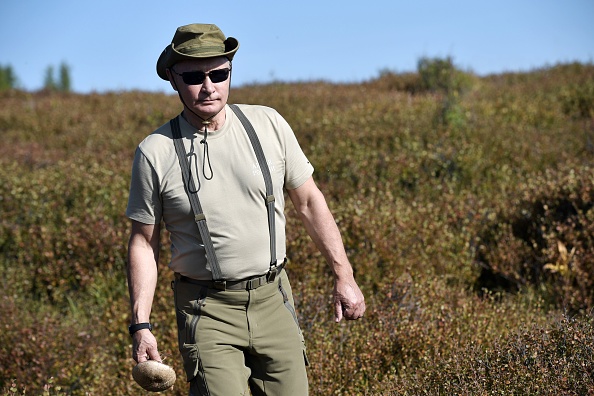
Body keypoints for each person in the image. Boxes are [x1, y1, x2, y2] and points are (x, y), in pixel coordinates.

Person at [125, 23, 366, 396]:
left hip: (274, 299)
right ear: (173, 78)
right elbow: (144, 243)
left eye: (219, 74)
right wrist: (140, 325)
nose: (209, 86)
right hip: (206, 309)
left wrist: (344, 275)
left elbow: (309, 201)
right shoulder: (155, 151)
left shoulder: (268, 123)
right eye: (194, 76)